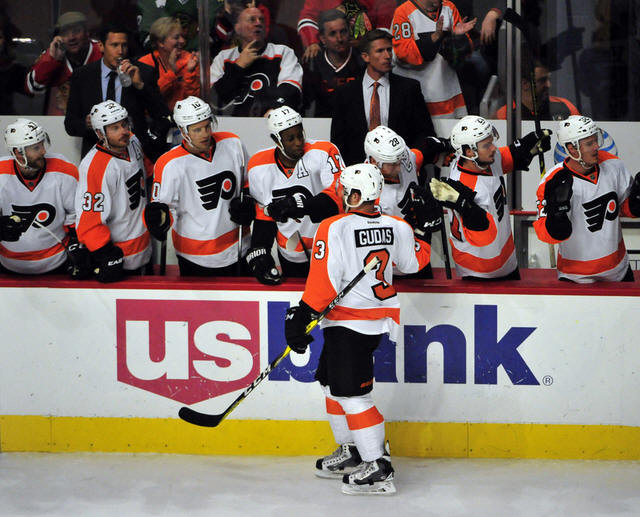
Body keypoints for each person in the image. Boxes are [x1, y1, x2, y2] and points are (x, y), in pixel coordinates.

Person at [284, 163, 430, 495]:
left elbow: (323, 283)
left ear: (354, 195)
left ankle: (378, 466)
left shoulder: (333, 226)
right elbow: (413, 263)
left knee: (353, 395)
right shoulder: (397, 226)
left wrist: (301, 315)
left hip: (350, 324)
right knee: (330, 383)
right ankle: (353, 450)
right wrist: (423, 231)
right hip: (372, 322)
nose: (339, 194)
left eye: (343, 190)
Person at [430, 115, 551, 280]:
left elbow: (505, 158)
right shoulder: (469, 186)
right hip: (480, 269)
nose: (494, 148)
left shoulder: (476, 161)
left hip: (505, 261)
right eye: (487, 145)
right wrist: (466, 206)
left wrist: (525, 147)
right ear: (469, 151)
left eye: (491, 142)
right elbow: (483, 232)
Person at [145, 96, 250, 276]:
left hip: (239, 247)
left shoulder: (233, 143)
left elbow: (248, 181)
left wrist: (248, 199)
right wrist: (158, 220)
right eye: (197, 129)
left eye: (207, 126)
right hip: (195, 257)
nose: (205, 134)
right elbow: (162, 210)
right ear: (183, 131)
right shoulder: (169, 163)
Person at [534, 116, 639, 283]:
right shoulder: (552, 182)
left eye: (596, 140)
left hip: (619, 270)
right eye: (589, 143)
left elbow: (625, 209)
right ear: (572, 149)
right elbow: (546, 235)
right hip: (576, 277)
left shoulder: (613, 164)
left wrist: (636, 201)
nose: (596, 146)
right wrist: (557, 214)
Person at [246, 106, 344, 284]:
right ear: (276, 139)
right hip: (290, 254)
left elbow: (339, 199)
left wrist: (299, 205)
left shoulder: (324, 151)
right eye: (290, 138)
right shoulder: (258, 166)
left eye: (300, 135)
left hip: (329, 249)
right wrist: (260, 250)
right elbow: (265, 214)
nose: (298, 142)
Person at [330, 29, 445, 167]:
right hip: (360, 172)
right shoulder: (346, 93)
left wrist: (411, 162)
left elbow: (425, 133)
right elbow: (338, 141)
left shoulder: (409, 89)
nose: (387, 56)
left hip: (401, 169)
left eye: (389, 50)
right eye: (380, 51)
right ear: (366, 57)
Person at [64, 23, 172, 161]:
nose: (120, 51)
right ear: (101, 46)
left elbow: (162, 115)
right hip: (96, 156)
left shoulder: (143, 72)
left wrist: (140, 86)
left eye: (124, 45)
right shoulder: (82, 76)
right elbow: (70, 125)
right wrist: (86, 124)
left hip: (134, 155)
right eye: (114, 45)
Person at [0, 118, 89, 277]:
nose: (43, 151)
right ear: (18, 152)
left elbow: (77, 213)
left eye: (42, 144)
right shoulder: (1, 173)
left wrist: (77, 242)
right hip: (8, 266)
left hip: (56, 265)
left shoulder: (64, 170)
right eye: (36, 147)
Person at [76, 101, 152, 282]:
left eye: (124, 124)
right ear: (100, 133)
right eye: (115, 128)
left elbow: (147, 171)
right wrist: (105, 254)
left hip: (145, 248)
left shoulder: (132, 140)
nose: (124, 131)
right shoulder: (94, 167)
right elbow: (89, 222)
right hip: (120, 258)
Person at [210, 6, 303, 116]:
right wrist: (238, 66)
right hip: (232, 123)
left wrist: (275, 110)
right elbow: (215, 100)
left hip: (273, 120)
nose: (258, 23)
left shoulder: (283, 52)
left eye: (261, 20)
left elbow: (291, 90)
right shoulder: (223, 58)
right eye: (252, 20)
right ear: (237, 28)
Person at [392, 0, 476, 119]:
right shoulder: (403, 12)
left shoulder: (449, 7)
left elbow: (462, 56)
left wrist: (458, 38)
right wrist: (434, 37)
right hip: (414, 95)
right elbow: (404, 54)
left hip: (446, 93)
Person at [26, 11, 102, 116]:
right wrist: (52, 59)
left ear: (87, 33)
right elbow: (32, 88)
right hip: (60, 120)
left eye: (76, 31)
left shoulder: (102, 51)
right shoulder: (52, 54)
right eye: (65, 33)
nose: (71, 37)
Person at [302, 9, 365, 117]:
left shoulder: (363, 60)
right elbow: (305, 104)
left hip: (357, 120)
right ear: (322, 38)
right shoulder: (313, 63)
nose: (339, 39)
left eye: (343, 31)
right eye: (333, 33)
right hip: (321, 123)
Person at [297, 0, 396, 64]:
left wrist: (369, 44)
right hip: (331, 57)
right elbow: (308, 18)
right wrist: (312, 42)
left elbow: (385, 22)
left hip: (368, 56)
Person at [138, 17, 200, 111]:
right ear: (161, 42)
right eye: (176, 37)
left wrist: (190, 73)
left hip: (185, 115)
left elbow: (196, 100)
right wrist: (171, 72)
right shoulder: (146, 63)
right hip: (156, 117)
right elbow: (150, 99)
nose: (182, 41)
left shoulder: (190, 60)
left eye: (182, 36)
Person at [494, 55, 580, 121]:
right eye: (542, 80)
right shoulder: (505, 114)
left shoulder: (565, 107)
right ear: (525, 84)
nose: (548, 85)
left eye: (548, 79)